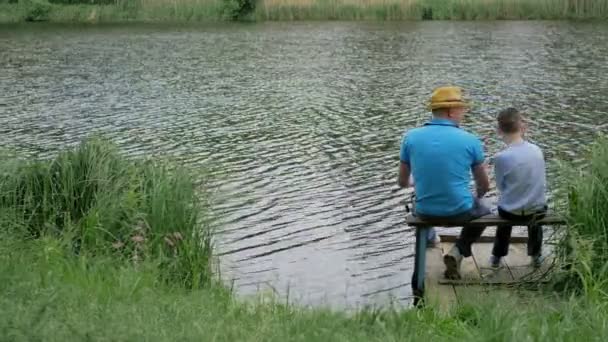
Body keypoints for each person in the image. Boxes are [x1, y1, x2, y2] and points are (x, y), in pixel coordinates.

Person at [399, 86, 490, 280]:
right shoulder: (470, 140)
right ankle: (458, 250)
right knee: (486, 209)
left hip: (425, 212)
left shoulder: (410, 138)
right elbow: (484, 185)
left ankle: (430, 241)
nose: (463, 113)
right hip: (461, 211)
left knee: (418, 199)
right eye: (461, 109)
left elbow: (402, 182)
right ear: (450, 111)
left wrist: (416, 181)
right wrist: (477, 196)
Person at [490, 108, 547, 268]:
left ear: (499, 130)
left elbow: (501, 187)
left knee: (504, 216)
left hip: (510, 213)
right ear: (523, 127)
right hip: (537, 211)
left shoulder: (501, 157)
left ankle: (497, 256)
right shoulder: (537, 151)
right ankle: (536, 255)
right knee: (535, 210)